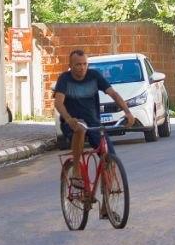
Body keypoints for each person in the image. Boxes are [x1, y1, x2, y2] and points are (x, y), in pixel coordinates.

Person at [53, 49, 136, 182]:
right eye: (78, 65)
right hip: (72, 123)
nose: (82, 68)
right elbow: (58, 103)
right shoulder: (65, 79)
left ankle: (107, 190)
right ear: (71, 65)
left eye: (85, 64)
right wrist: (68, 119)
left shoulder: (94, 76)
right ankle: (76, 170)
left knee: (109, 155)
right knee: (80, 129)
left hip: (94, 123)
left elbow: (113, 94)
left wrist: (127, 112)